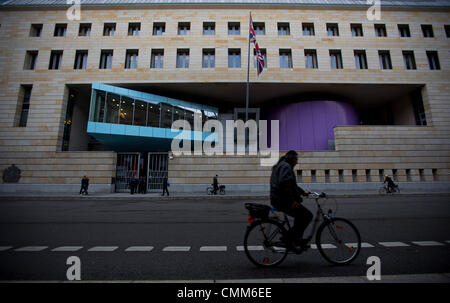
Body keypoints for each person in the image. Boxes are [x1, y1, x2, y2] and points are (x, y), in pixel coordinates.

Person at [270, 150, 312, 252]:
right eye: (296, 159)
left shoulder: (283, 165)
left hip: (278, 199)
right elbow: (285, 184)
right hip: (282, 200)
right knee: (307, 215)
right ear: (292, 159)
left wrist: (303, 192)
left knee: (301, 216)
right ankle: (290, 239)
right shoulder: (286, 166)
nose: (297, 162)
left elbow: (291, 185)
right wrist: (292, 201)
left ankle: (295, 240)